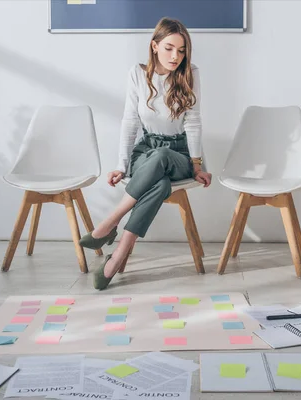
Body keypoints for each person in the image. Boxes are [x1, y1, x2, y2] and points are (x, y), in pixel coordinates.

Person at [79, 17, 212, 290]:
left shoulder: (191, 73)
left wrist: (196, 165)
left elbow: (194, 122)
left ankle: (108, 223)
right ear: (154, 46)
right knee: (160, 184)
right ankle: (117, 257)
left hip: (179, 153)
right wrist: (121, 164)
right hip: (146, 149)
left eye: (182, 50)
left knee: (162, 158)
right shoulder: (138, 74)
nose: (176, 56)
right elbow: (130, 121)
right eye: (169, 48)